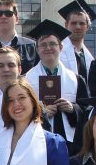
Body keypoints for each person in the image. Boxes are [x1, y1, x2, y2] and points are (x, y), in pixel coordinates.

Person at [23, 19, 86, 154]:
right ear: (37, 49)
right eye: (43, 45)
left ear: (61, 47)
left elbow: (87, 111)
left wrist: (73, 109)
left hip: (70, 145)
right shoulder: (26, 81)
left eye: (52, 44)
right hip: (37, 143)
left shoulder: (76, 79)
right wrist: (41, 113)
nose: (48, 48)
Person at [57, 0, 96, 82]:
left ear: (87, 27)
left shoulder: (90, 58)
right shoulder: (57, 52)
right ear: (66, 25)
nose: (78, 27)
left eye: (82, 23)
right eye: (74, 23)